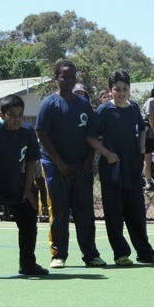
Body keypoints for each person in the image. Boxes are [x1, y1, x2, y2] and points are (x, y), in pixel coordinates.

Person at [85, 70, 154, 266]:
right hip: (112, 171)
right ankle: (120, 254)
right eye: (117, 89)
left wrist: (142, 143)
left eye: (125, 89)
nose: (122, 93)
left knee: (137, 213)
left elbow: (142, 128)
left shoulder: (133, 108)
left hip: (132, 169)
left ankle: (145, 253)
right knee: (114, 215)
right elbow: (90, 137)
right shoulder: (104, 110)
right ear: (110, 90)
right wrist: (106, 154)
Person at [0, 95, 48, 280]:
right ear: (2, 114)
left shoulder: (27, 132)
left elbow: (30, 161)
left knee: (29, 220)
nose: (17, 118)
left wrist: (27, 189)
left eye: (20, 114)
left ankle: (27, 264)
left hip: (15, 185)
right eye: (12, 114)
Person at [36, 60, 106, 268]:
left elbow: (91, 134)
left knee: (85, 211)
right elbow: (41, 133)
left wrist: (88, 159)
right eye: (64, 76)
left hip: (81, 165)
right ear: (56, 78)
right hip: (56, 166)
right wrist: (59, 163)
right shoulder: (49, 103)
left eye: (72, 76)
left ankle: (91, 254)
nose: (68, 80)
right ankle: (58, 254)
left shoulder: (83, 103)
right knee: (60, 211)